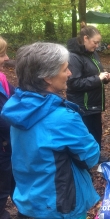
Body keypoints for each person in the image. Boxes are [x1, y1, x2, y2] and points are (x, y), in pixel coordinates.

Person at [0, 42, 100, 218]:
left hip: (27, 202)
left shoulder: (16, 108)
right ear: (47, 77)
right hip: (60, 207)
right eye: (65, 69)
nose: (70, 73)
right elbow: (90, 157)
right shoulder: (63, 118)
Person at [66, 22, 110, 163]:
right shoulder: (74, 57)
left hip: (94, 101)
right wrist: (97, 79)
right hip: (82, 104)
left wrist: (104, 78)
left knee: (96, 131)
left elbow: (95, 74)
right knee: (85, 133)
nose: (97, 46)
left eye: (98, 43)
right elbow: (73, 83)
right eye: (95, 42)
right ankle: (84, 161)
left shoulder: (93, 53)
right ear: (85, 38)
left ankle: (95, 156)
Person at [0, 36, 15, 219]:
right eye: (2, 54)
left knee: (11, 180)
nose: (6, 58)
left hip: (7, 145)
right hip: (3, 146)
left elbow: (16, 95)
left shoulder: (2, 79)